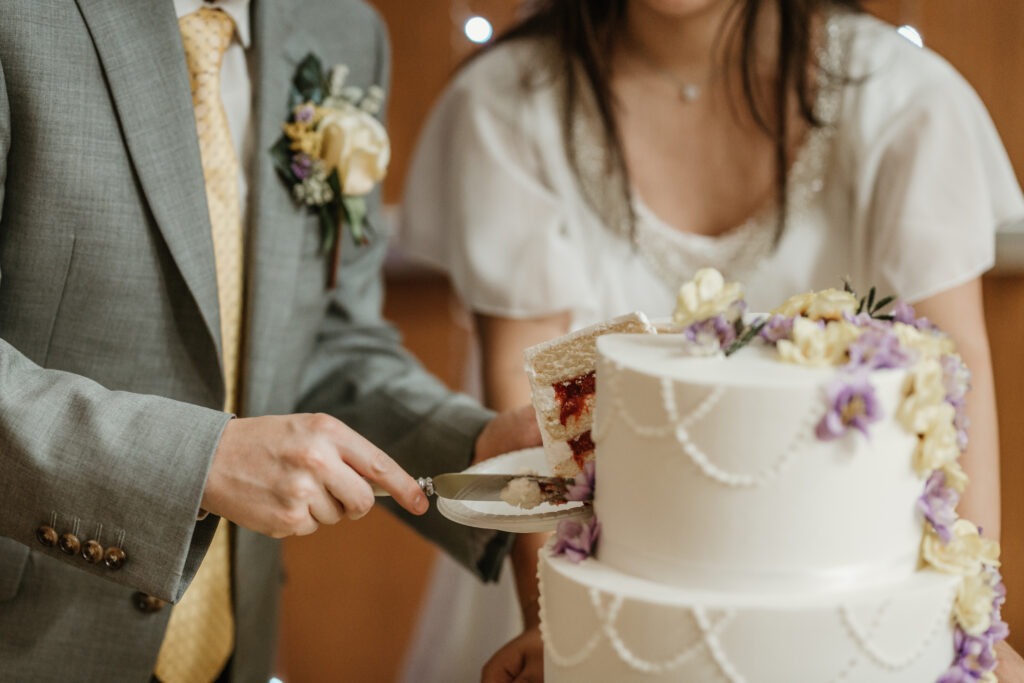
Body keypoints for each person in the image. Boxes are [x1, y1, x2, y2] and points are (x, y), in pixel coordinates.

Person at [400, 0, 1024, 680]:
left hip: (854, 620)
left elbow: (950, 389)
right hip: (596, 590)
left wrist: (967, 634)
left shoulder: (907, 101)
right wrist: (561, 628)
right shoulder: (508, 104)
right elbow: (538, 406)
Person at [0, 0, 541, 680]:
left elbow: (326, 338)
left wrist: (472, 446)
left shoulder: (345, 32)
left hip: (235, 640)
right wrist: (196, 462)